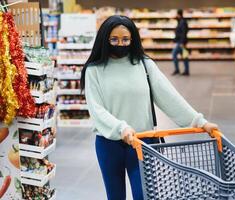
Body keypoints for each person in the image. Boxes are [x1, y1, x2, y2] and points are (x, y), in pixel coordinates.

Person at [80, 15, 218, 200]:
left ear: (133, 39)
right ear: (104, 39)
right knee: (115, 196)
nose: (120, 44)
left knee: (144, 195)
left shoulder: (144, 65)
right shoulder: (94, 70)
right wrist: (122, 129)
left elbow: (169, 97)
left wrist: (200, 122)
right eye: (114, 39)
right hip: (109, 143)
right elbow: (97, 110)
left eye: (125, 39)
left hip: (142, 142)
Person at [172, 9, 190, 76]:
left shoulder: (182, 22)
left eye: (176, 14)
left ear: (178, 14)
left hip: (181, 42)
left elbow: (183, 33)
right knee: (185, 56)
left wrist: (182, 42)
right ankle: (186, 71)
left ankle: (177, 70)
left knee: (174, 54)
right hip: (181, 42)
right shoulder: (181, 21)